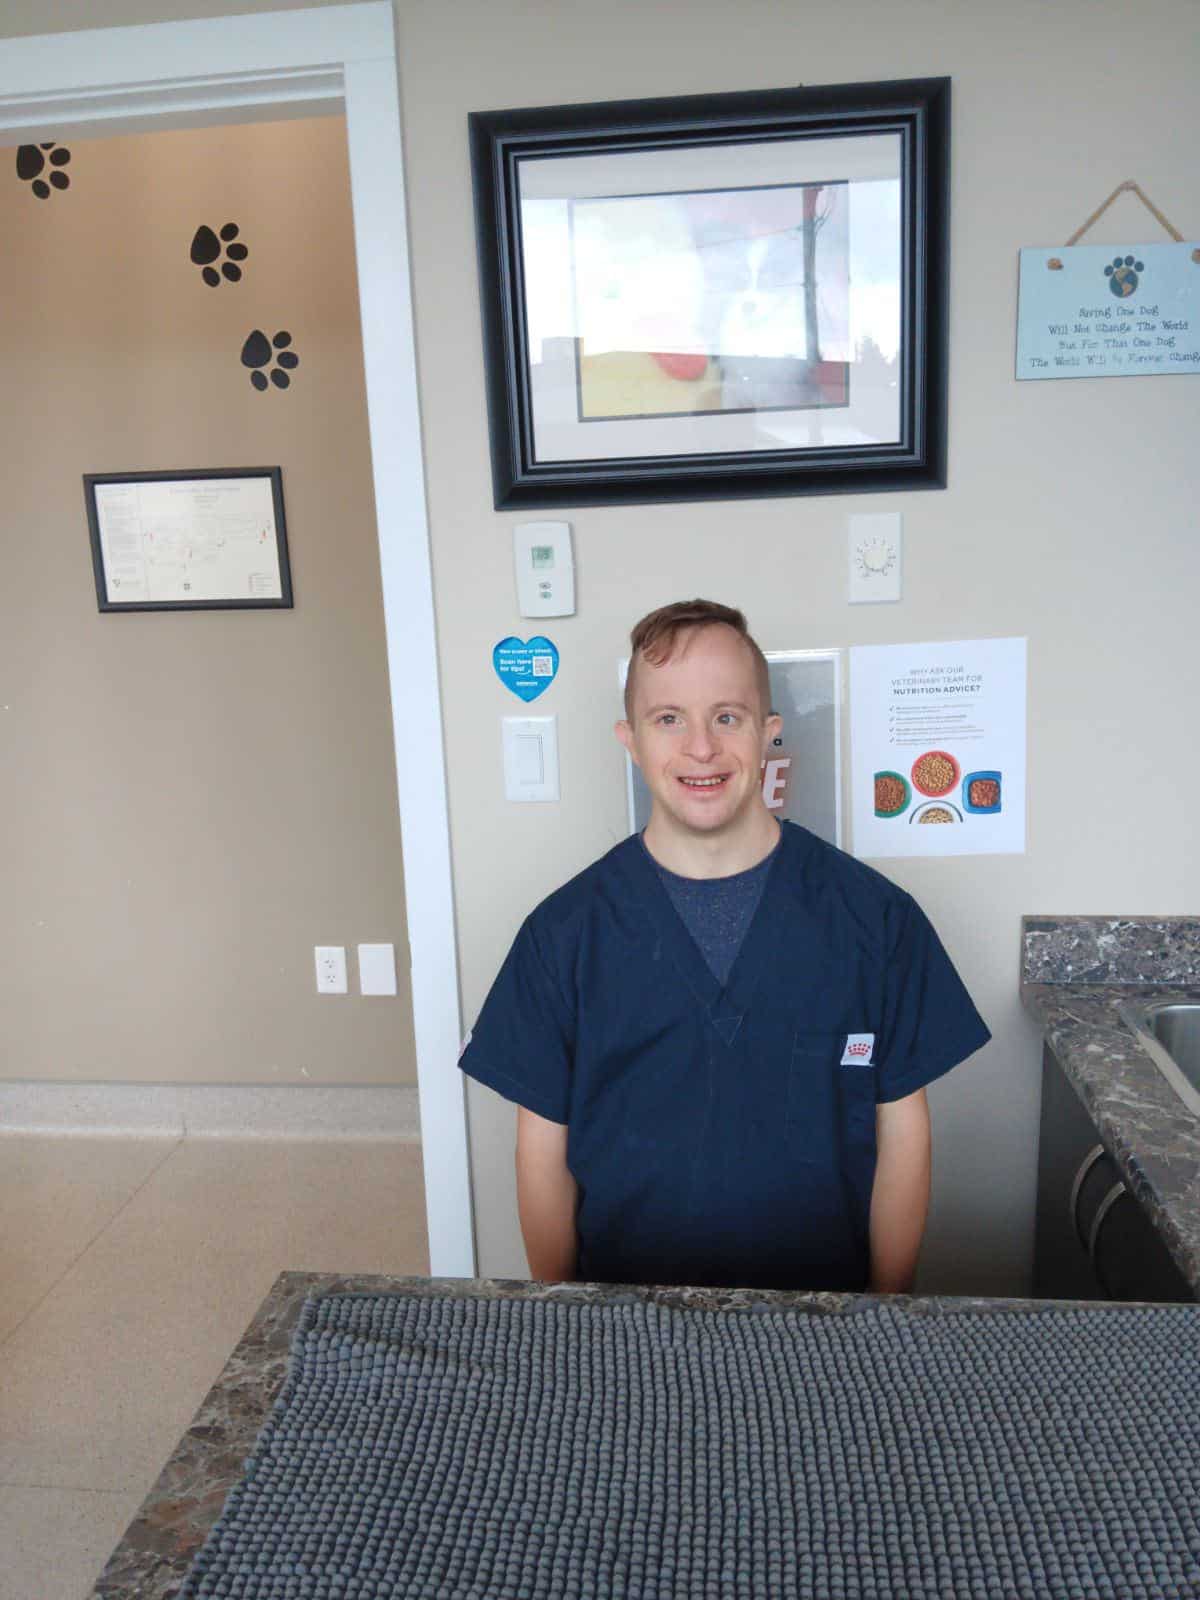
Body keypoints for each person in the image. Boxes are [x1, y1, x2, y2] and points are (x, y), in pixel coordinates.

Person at [459, 600, 990, 1294]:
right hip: (627, 1324)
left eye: (728, 717)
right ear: (631, 739)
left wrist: (883, 1315)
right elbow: (540, 1151)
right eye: (668, 718)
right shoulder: (564, 936)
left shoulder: (876, 922)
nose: (701, 748)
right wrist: (569, 1317)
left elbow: (903, 1142)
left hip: (822, 1324)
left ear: (770, 732)